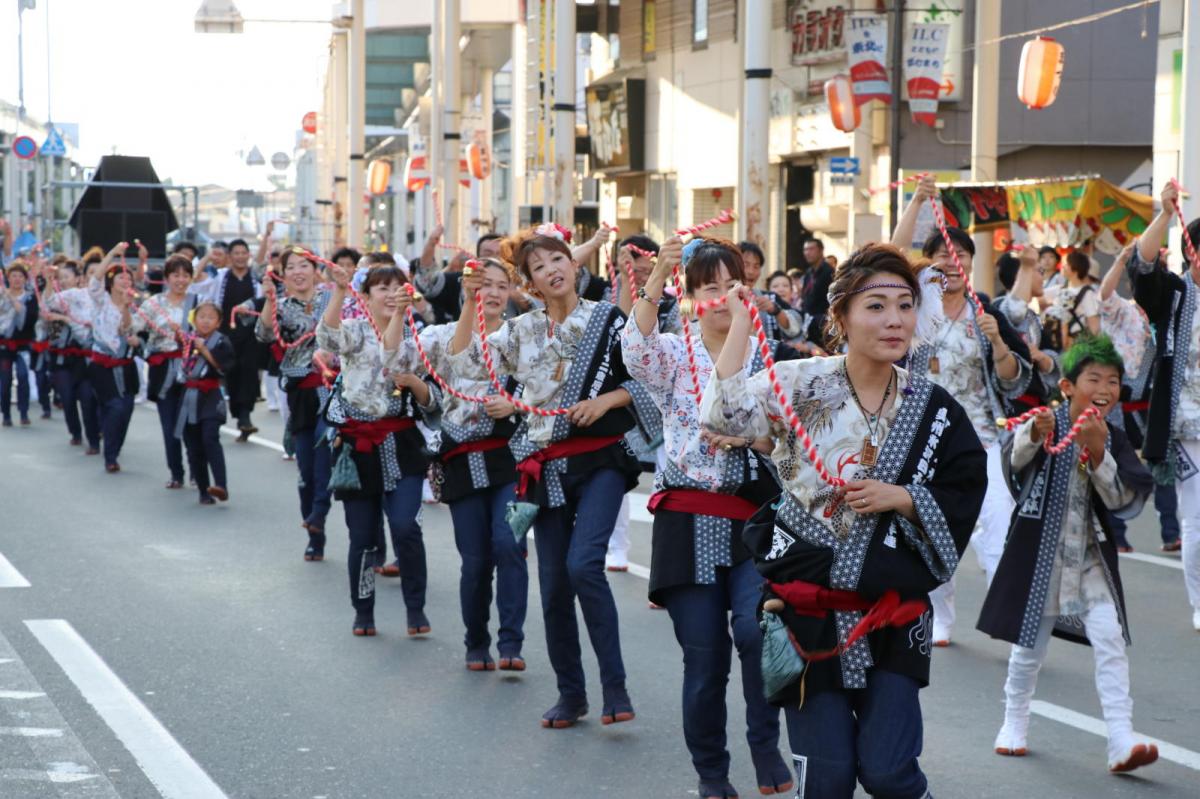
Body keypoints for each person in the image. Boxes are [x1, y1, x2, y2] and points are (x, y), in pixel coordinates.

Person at [700, 243, 987, 798]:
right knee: (826, 778)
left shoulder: (932, 407)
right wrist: (741, 325)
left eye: (905, 305)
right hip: (804, 612)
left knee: (889, 772)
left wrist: (903, 497)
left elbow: (964, 484)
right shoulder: (797, 382)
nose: (894, 319)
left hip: (893, 614)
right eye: (876, 306)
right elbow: (723, 415)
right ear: (842, 316)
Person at [447, 223, 656, 729]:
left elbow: (646, 378)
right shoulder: (519, 331)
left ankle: (615, 688)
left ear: (574, 263)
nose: (551, 270)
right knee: (554, 583)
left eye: (558, 259)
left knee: (584, 565)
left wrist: (606, 400)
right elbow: (463, 366)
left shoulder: (608, 318)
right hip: (544, 465)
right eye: (538, 267)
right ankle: (571, 694)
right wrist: (470, 304)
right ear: (530, 284)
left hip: (602, 458)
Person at [622, 236, 793, 799]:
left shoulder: (771, 355)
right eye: (709, 288)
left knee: (754, 630)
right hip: (687, 514)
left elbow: (792, 437)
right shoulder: (674, 351)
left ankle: (765, 744)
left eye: (731, 284)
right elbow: (635, 352)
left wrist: (758, 442)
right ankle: (712, 773)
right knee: (704, 659)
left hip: (754, 518)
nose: (722, 296)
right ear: (692, 298)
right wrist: (656, 276)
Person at [978, 336, 1157, 773]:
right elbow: (1012, 466)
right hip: (1040, 556)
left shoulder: (1112, 436)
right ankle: (1014, 722)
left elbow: (1122, 500)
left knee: (1109, 637)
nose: (1105, 389)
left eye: (1113, 381)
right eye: (1094, 378)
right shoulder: (1045, 422)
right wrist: (1033, 435)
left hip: (1090, 557)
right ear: (1067, 386)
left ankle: (1121, 737)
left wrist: (1099, 453)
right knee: (1029, 647)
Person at [892, 175, 1034, 645]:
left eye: (961, 258)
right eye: (941, 257)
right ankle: (941, 617)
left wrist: (999, 344)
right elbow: (890, 255)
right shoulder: (913, 308)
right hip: (922, 435)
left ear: (971, 265)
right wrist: (918, 201)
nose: (951, 266)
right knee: (933, 528)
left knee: (997, 522)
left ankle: (1007, 618)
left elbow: (1014, 377)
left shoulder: (984, 312)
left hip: (981, 436)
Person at [318, 261, 439, 637]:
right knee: (363, 537)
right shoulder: (354, 330)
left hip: (401, 443)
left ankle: (415, 607)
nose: (389, 294)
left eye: (396, 287)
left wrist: (403, 319)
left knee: (406, 527)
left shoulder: (417, 334)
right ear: (366, 296)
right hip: (357, 445)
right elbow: (328, 339)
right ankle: (364, 609)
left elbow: (417, 378)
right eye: (381, 288)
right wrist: (339, 291)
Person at [423, 257, 529, 671]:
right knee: (475, 561)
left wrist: (516, 405)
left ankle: (511, 642)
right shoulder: (443, 335)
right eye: (485, 285)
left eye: (502, 284)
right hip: (462, 460)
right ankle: (476, 640)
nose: (494, 292)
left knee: (509, 544)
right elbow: (402, 360)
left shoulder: (525, 335)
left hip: (512, 459)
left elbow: (548, 388)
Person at [1124, 180, 1200, 630]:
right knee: (1196, 520)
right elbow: (1143, 265)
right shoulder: (1174, 295)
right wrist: (1166, 214)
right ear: (1193, 252)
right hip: (1188, 427)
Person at [257, 248, 335, 561]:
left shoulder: (334, 299)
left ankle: (319, 511)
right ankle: (315, 534)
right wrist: (268, 299)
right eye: (291, 267)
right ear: (283, 274)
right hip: (300, 394)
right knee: (306, 470)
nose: (298, 272)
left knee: (324, 456)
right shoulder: (281, 305)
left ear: (316, 270)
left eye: (304, 265)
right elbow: (264, 335)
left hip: (331, 391)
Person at [131, 255, 197, 489]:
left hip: (192, 372)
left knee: (192, 424)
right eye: (175, 275)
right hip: (163, 372)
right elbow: (134, 327)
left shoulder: (198, 303)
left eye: (185, 275)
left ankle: (197, 472)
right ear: (167, 278)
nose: (181, 280)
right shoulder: (153, 304)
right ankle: (176, 472)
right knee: (169, 426)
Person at [192, 238, 262, 441]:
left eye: (243, 253)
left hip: (250, 334)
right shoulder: (220, 276)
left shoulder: (256, 278)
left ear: (248, 255)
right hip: (226, 334)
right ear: (230, 256)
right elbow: (196, 280)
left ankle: (245, 417)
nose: (240, 257)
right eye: (236, 253)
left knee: (249, 374)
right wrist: (208, 257)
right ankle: (238, 416)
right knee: (232, 373)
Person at [176, 302, 235, 505]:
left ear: (218, 322)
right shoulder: (187, 340)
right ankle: (203, 490)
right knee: (194, 446)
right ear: (194, 319)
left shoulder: (222, 341)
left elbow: (224, 368)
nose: (206, 321)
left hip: (211, 395)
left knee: (210, 437)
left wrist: (204, 350)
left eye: (211, 317)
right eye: (202, 316)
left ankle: (221, 485)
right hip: (189, 395)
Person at [36, 261, 100, 449]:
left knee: (88, 399)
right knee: (67, 398)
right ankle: (75, 432)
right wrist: (49, 282)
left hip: (85, 358)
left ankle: (94, 439)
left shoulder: (88, 298)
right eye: (60, 277)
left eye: (67, 277)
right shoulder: (56, 300)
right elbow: (46, 315)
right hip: (61, 358)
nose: (63, 281)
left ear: (78, 278)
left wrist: (66, 318)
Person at [87, 260, 141, 473]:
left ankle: (114, 450)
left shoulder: (135, 306)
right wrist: (113, 253)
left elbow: (126, 329)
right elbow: (95, 280)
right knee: (115, 407)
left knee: (126, 410)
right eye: (121, 277)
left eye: (129, 279)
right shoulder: (100, 300)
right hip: (102, 365)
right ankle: (110, 456)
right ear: (111, 281)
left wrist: (126, 307)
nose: (125, 281)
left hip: (125, 366)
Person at [993, 248, 1059, 401]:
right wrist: (1027, 265)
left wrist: (1043, 358)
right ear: (1022, 274)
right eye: (1039, 271)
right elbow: (1015, 309)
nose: (1043, 278)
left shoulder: (1032, 316)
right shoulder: (1000, 308)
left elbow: (1050, 360)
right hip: (1012, 403)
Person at [737, 241, 803, 343]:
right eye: (746, 265)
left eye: (756, 266)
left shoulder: (770, 298)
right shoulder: (720, 299)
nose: (751, 271)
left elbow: (795, 328)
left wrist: (775, 310)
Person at [0, 262, 35, 426]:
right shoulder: (1, 296)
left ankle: (24, 412)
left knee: (23, 376)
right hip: (4, 346)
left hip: (23, 345)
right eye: (13, 276)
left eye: (20, 276)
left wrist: (14, 301)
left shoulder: (30, 297)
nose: (17, 279)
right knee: (5, 380)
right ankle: (6, 415)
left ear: (25, 279)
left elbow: (31, 319)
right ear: (8, 278)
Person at [1049, 251, 1101, 351]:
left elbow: (1094, 325)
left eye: (1066, 264)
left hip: (1075, 346)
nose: (1062, 267)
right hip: (1057, 343)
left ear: (1075, 268)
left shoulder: (1087, 293)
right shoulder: (1062, 289)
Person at [797, 236, 836, 342]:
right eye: (805, 249)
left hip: (823, 324)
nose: (807, 253)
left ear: (820, 251)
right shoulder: (808, 273)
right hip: (808, 324)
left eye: (811, 249)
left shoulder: (829, 272)